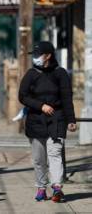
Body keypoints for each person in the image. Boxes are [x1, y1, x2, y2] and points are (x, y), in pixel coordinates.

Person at [18, 41, 77, 203]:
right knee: (39, 158)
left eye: (38, 55)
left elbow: (66, 97)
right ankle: (41, 188)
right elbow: (22, 96)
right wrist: (41, 106)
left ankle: (57, 187)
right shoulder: (31, 74)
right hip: (36, 120)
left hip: (56, 119)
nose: (35, 58)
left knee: (55, 153)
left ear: (48, 56)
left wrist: (71, 119)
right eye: (34, 55)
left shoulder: (60, 73)